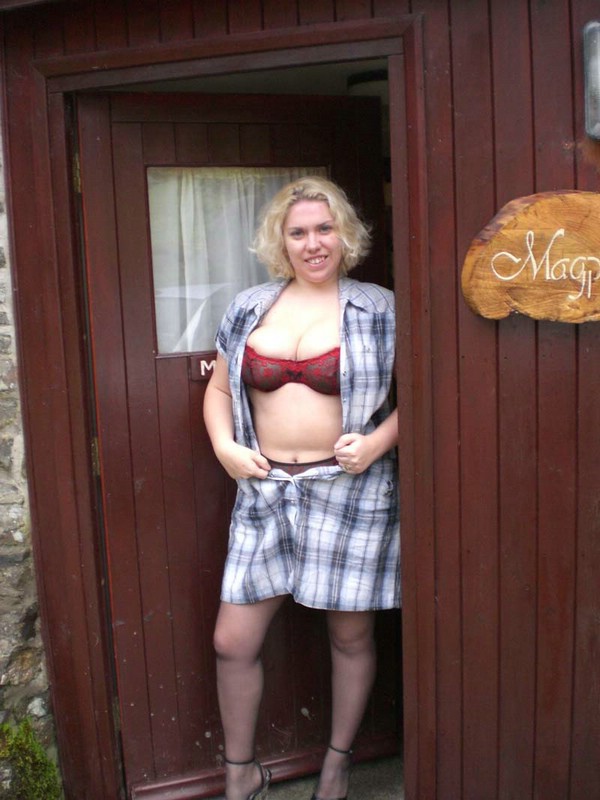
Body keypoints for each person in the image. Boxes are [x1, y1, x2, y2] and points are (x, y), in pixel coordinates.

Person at [203, 176, 400, 800]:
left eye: (324, 229)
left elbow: (425, 392)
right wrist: (225, 447)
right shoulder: (250, 307)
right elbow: (218, 390)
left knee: (350, 636)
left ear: (344, 234)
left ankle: (337, 765)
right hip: (264, 492)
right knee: (232, 641)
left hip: (348, 491)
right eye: (298, 233)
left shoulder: (380, 308)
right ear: (280, 241)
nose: (313, 243)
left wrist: (376, 443)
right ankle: (241, 774)